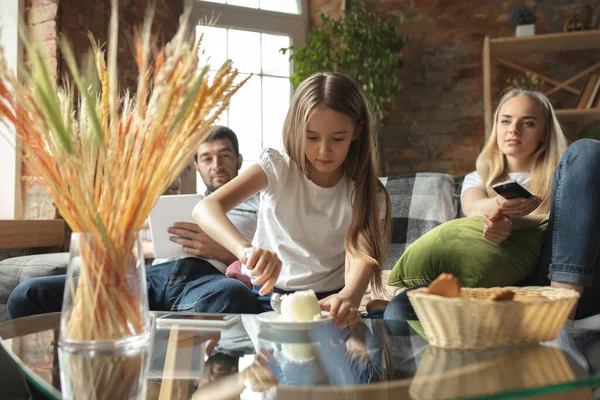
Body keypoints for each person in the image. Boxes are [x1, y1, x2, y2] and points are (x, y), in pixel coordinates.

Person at [192, 72, 392, 327]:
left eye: (338, 138)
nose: (323, 150)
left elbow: (361, 254)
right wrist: (246, 251)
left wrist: (349, 297)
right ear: (296, 129)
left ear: (356, 131)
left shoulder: (367, 191)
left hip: (330, 302)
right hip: (269, 299)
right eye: (312, 137)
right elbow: (205, 208)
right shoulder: (278, 167)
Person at [372, 88, 591, 320]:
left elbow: (574, 226)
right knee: (399, 311)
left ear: (545, 133)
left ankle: (562, 309)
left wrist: (514, 224)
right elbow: (474, 209)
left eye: (527, 123)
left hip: (548, 274)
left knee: (586, 150)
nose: (513, 130)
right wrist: (499, 208)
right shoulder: (479, 177)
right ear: (496, 126)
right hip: (490, 278)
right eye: (505, 121)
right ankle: (385, 311)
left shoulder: (566, 175)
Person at [7, 126, 259, 319]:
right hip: (151, 278)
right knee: (26, 295)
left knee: (235, 295)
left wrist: (220, 251)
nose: (216, 166)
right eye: (206, 158)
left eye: (224, 156)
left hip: (207, 281)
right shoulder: (179, 206)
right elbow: (129, 245)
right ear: (197, 165)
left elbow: (269, 259)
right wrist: (158, 246)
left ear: (238, 160)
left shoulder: (258, 206)